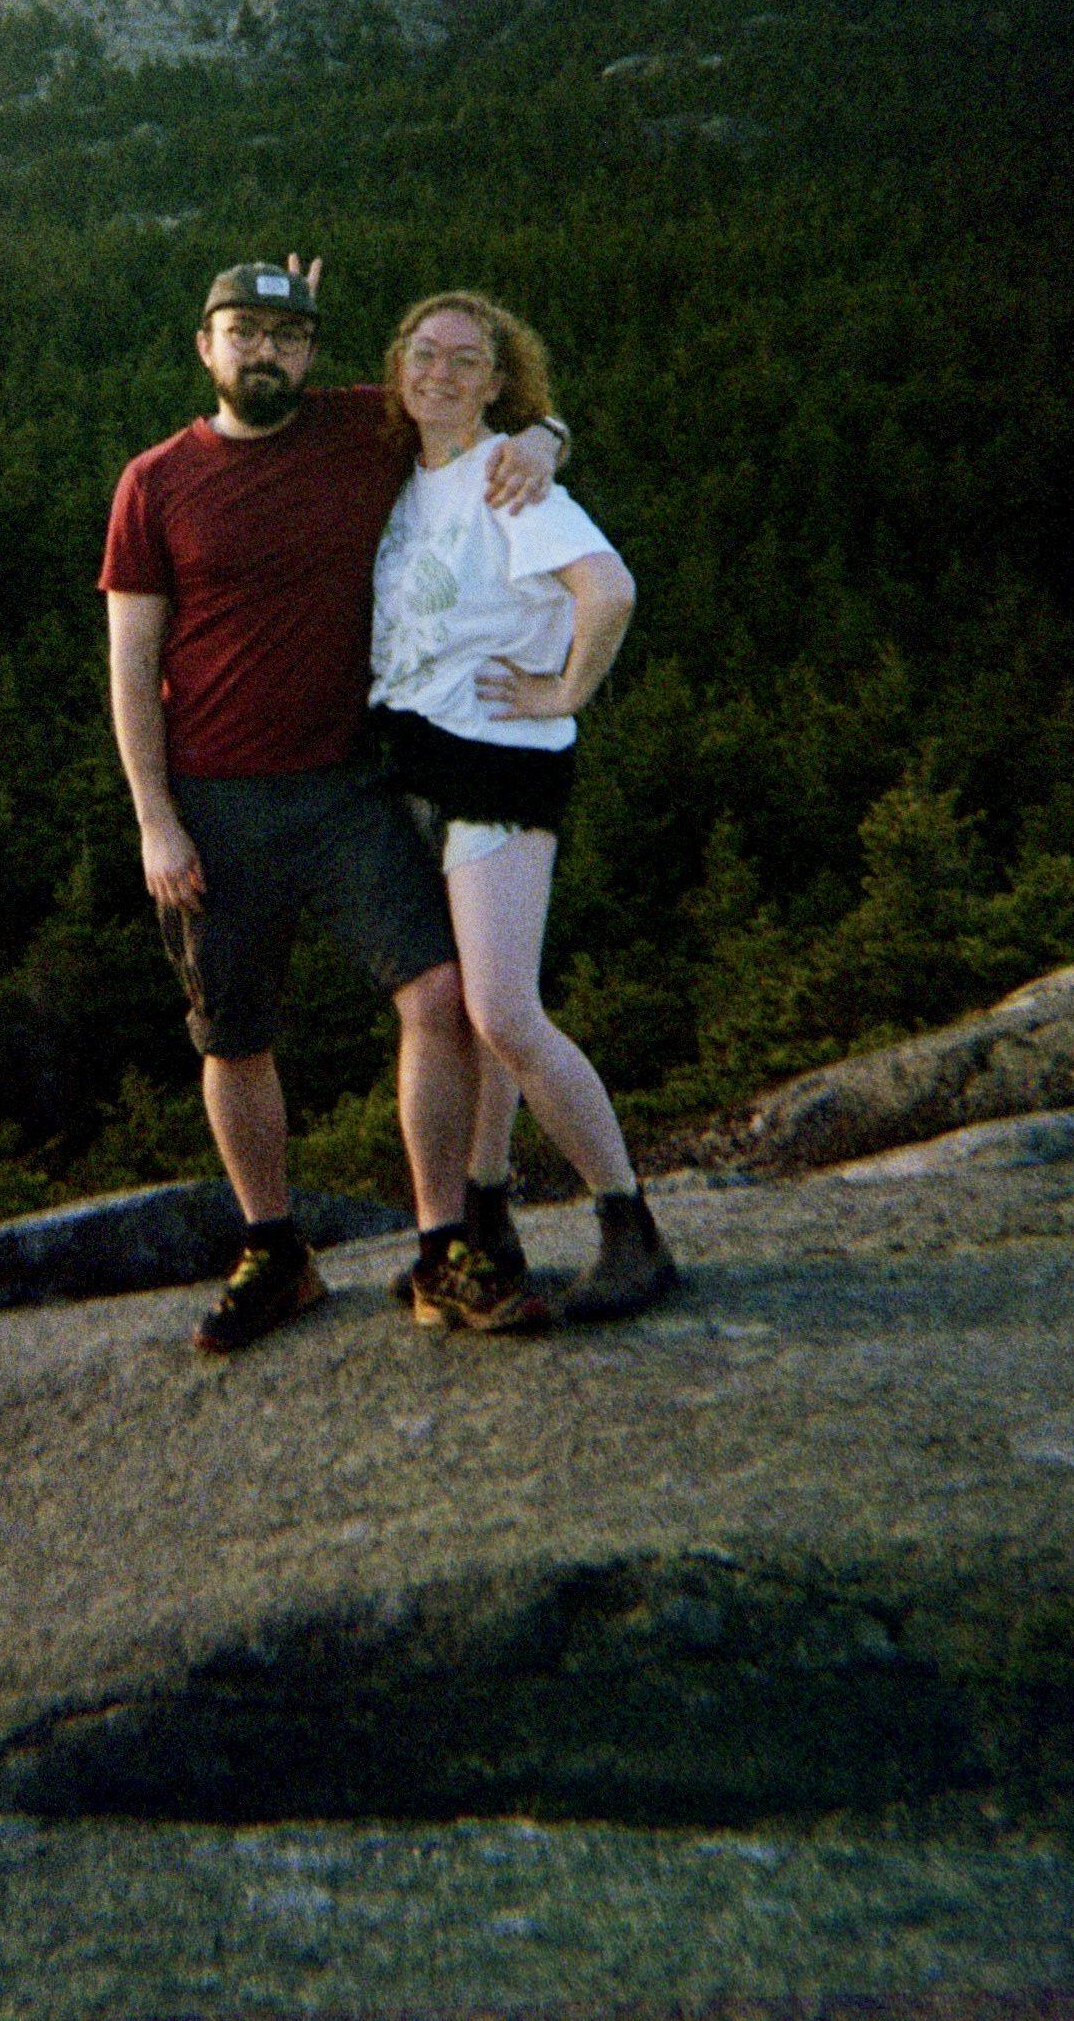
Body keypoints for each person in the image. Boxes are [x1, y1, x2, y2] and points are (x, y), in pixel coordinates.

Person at [100, 259, 568, 1355]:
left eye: (289, 336)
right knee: (234, 1033)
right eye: (244, 332)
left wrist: (545, 441)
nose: (267, 352)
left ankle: (440, 1246)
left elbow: (489, 398)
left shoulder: (361, 431)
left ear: (311, 353)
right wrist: (154, 818)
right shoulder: (155, 482)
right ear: (204, 346)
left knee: (442, 996)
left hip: (350, 781)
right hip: (214, 800)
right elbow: (130, 666)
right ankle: (276, 1248)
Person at [365, 290, 678, 1327]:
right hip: (418, 764)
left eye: (466, 360)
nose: (439, 374)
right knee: (467, 1012)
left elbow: (611, 588)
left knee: (502, 1012)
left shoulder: (511, 479)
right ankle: (488, 1209)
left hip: (500, 763)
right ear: (398, 365)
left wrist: (566, 691)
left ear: (500, 383)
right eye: (423, 353)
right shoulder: (407, 478)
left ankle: (630, 1228)